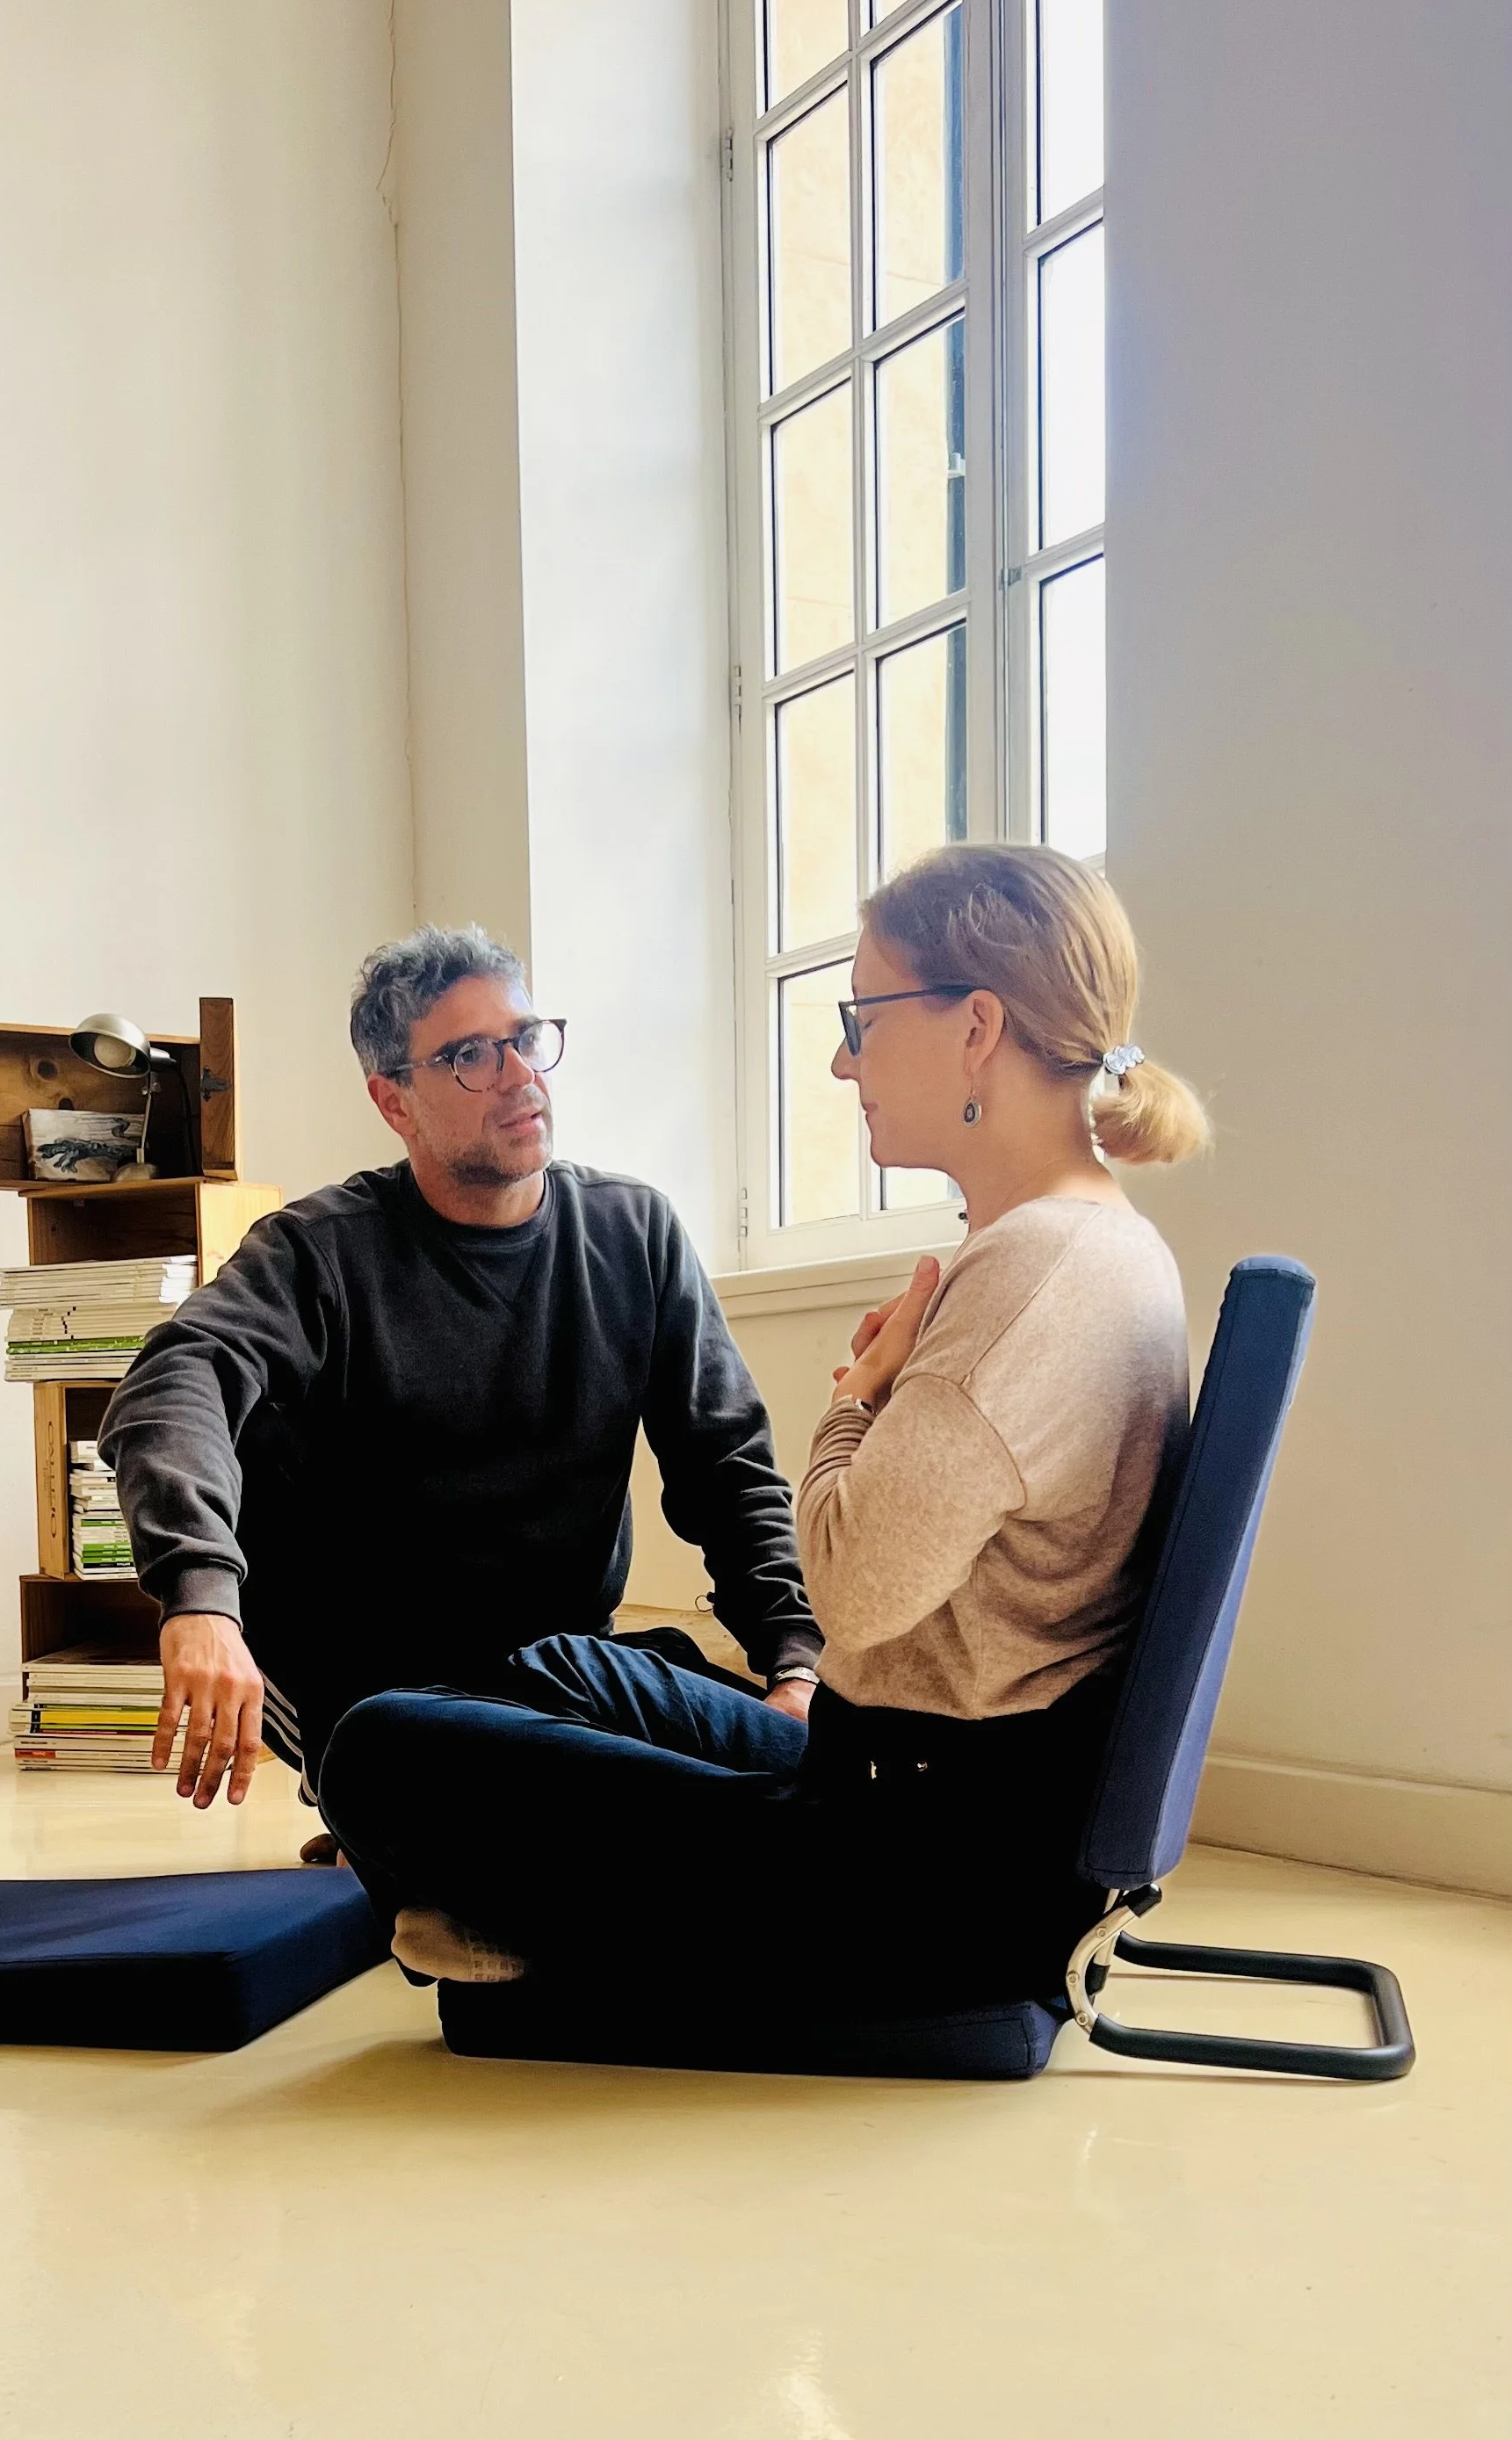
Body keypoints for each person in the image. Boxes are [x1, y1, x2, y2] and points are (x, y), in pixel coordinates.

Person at [316, 845, 1213, 2020]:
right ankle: (543, 1891)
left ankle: (539, 1911)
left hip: (923, 1874)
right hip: (909, 1781)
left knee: (379, 1750)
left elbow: (852, 1596)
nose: (844, 1060)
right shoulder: (1083, 1240)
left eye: (864, 1018)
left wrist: (856, 1399)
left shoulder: (1033, 1274)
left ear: (976, 1027)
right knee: (565, 1665)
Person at [98, 924, 824, 1831]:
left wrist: (794, 1664)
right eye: (470, 1056)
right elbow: (172, 1384)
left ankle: (461, 1846)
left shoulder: (634, 1232)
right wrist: (200, 1599)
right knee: (403, 1749)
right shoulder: (317, 1252)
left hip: (566, 1668)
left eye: (526, 1038)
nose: (519, 1075)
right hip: (376, 1691)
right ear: (393, 1101)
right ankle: (429, 1817)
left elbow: (727, 1466)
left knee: (810, 1762)